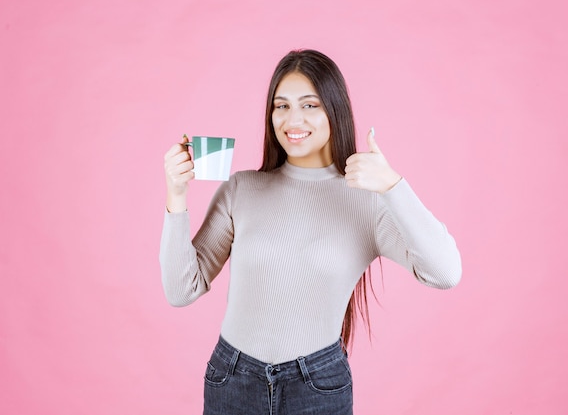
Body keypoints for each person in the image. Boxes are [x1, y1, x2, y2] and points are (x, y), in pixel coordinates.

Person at [160, 49, 462, 415]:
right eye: (281, 106)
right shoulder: (242, 189)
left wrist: (394, 187)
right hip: (232, 382)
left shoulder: (367, 202)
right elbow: (180, 290)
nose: (293, 119)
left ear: (334, 110)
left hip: (317, 389)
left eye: (310, 105)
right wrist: (176, 196)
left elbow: (445, 272)